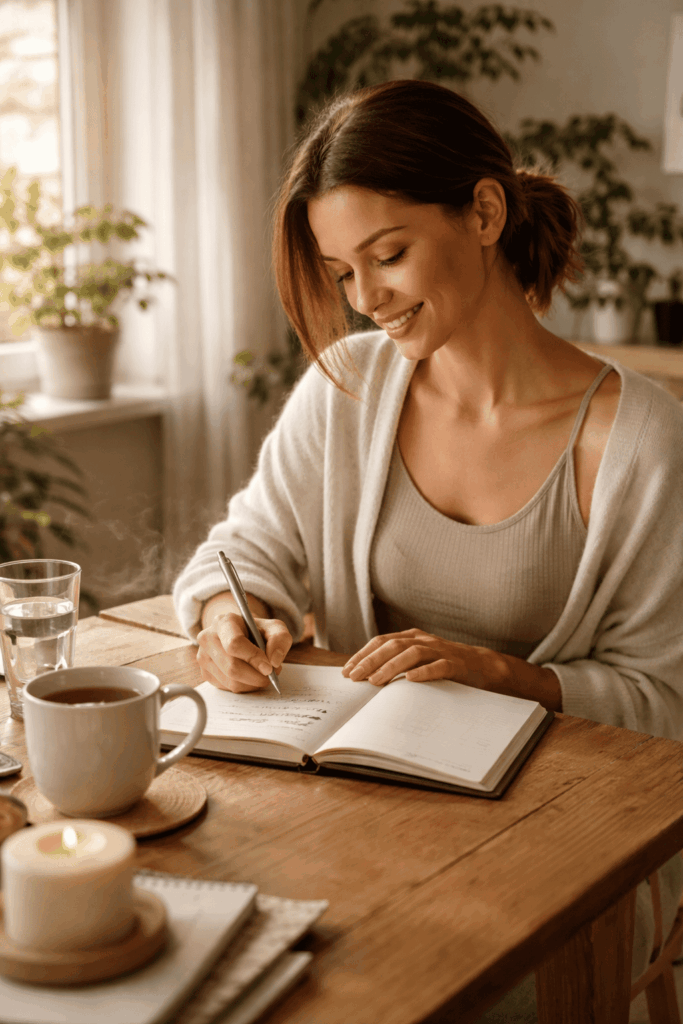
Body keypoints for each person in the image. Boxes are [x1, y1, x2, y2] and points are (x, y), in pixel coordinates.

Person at [173, 80, 683, 994]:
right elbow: (243, 549)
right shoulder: (348, 387)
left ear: (484, 212)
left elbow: (667, 704)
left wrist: (506, 676)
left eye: (389, 255)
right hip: (363, 820)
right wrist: (225, 615)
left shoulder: (641, 442)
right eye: (341, 273)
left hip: (568, 855)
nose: (366, 298)